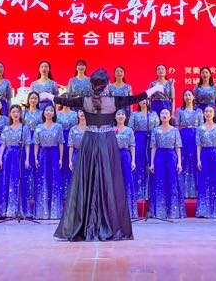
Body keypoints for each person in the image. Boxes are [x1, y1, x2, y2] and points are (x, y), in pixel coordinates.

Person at [40, 68, 165, 241]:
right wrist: (155, 89)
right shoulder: (114, 100)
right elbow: (137, 97)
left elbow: (64, 100)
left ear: (92, 85)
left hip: (90, 141)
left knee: (88, 181)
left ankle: (86, 225)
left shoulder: (85, 100)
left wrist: (48, 95)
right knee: (108, 181)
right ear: (107, 85)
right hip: (107, 142)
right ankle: (108, 224)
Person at [149, 109, 186, 219]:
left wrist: (179, 162)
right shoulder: (155, 130)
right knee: (159, 181)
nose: (164, 115)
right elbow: (153, 147)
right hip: (159, 156)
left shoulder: (175, 130)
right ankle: (160, 211)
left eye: (166, 113)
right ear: (159, 117)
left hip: (171, 157)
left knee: (172, 181)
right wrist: (152, 163)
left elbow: (178, 147)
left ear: (170, 117)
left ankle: (173, 211)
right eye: (162, 113)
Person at [195, 105, 216, 218]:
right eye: (206, 111)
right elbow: (199, 145)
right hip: (205, 155)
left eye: (210, 111)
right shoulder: (200, 128)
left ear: (214, 114)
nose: (208, 113)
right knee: (205, 180)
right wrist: (198, 159)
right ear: (203, 114)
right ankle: (205, 210)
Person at [0, 105, 32, 218]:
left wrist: (27, 159)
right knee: (8, 180)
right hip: (8, 155)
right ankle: (8, 210)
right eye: (13, 112)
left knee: (20, 180)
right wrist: (0, 159)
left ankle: (22, 209)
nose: (15, 114)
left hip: (20, 155)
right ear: (10, 114)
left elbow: (27, 144)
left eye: (17, 112)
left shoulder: (24, 128)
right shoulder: (6, 129)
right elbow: (3, 144)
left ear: (20, 114)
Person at [33, 105, 64, 220]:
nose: (49, 112)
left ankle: (55, 212)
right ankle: (43, 212)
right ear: (43, 113)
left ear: (54, 113)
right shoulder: (39, 127)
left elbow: (61, 143)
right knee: (43, 179)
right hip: (43, 154)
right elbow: (36, 144)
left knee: (55, 180)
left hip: (55, 153)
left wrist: (61, 158)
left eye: (51, 110)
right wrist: (35, 158)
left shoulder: (58, 127)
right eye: (47, 110)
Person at [128, 99, 159, 201]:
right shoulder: (134, 114)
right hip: (139, 140)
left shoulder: (153, 114)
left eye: (146, 100)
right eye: (141, 100)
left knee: (150, 163)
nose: (144, 101)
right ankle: (138, 192)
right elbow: (130, 129)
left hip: (151, 139)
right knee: (139, 163)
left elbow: (157, 129)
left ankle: (150, 192)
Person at [175, 89, 203, 199]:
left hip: (196, 136)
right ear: (183, 97)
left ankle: (196, 191)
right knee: (184, 160)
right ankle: (184, 191)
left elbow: (201, 126)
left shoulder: (199, 111)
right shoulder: (179, 110)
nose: (187, 97)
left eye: (189, 95)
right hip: (184, 136)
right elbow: (177, 126)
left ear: (193, 97)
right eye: (185, 95)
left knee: (195, 160)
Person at [114, 110, 137, 218]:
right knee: (115, 181)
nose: (120, 116)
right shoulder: (111, 130)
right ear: (115, 116)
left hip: (126, 156)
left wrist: (133, 160)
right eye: (118, 114)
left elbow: (132, 145)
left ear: (125, 117)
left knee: (127, 180)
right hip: (114, 156)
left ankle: (128, 210)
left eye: (122, 114)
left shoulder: (129, 130)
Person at [57, 103, 79, 199]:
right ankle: (61, 190)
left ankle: (70, 190)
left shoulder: (75, 114)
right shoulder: (57, 114)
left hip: (72, 139)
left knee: (71, 163)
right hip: (60, 139)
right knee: (60, 162)